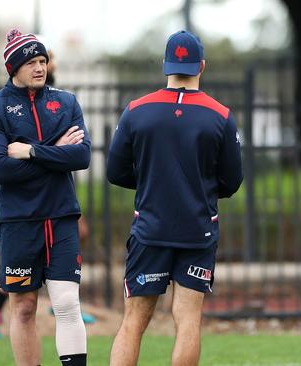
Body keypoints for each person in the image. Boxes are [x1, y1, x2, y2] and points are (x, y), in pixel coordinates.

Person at [107, 30, 243, 366]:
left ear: (165, 65)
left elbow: (115, 171)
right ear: (202, 65)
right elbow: (232, 180)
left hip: (150, 229)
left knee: (134, 321)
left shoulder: (136, 111)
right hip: (198, 230)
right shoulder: (221, 115)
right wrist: (204, 188)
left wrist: (151, 183)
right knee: (187, 319)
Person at [0, 29, 90, 365]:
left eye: (43, 60)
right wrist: (56, 153)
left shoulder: (66, 102)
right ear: (14, 67)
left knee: (68, 303)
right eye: (31, 62)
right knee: (24, 308)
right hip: (17, 221)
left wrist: (31, 152)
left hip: (61, 217)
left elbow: (81, 157)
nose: (40, 67)